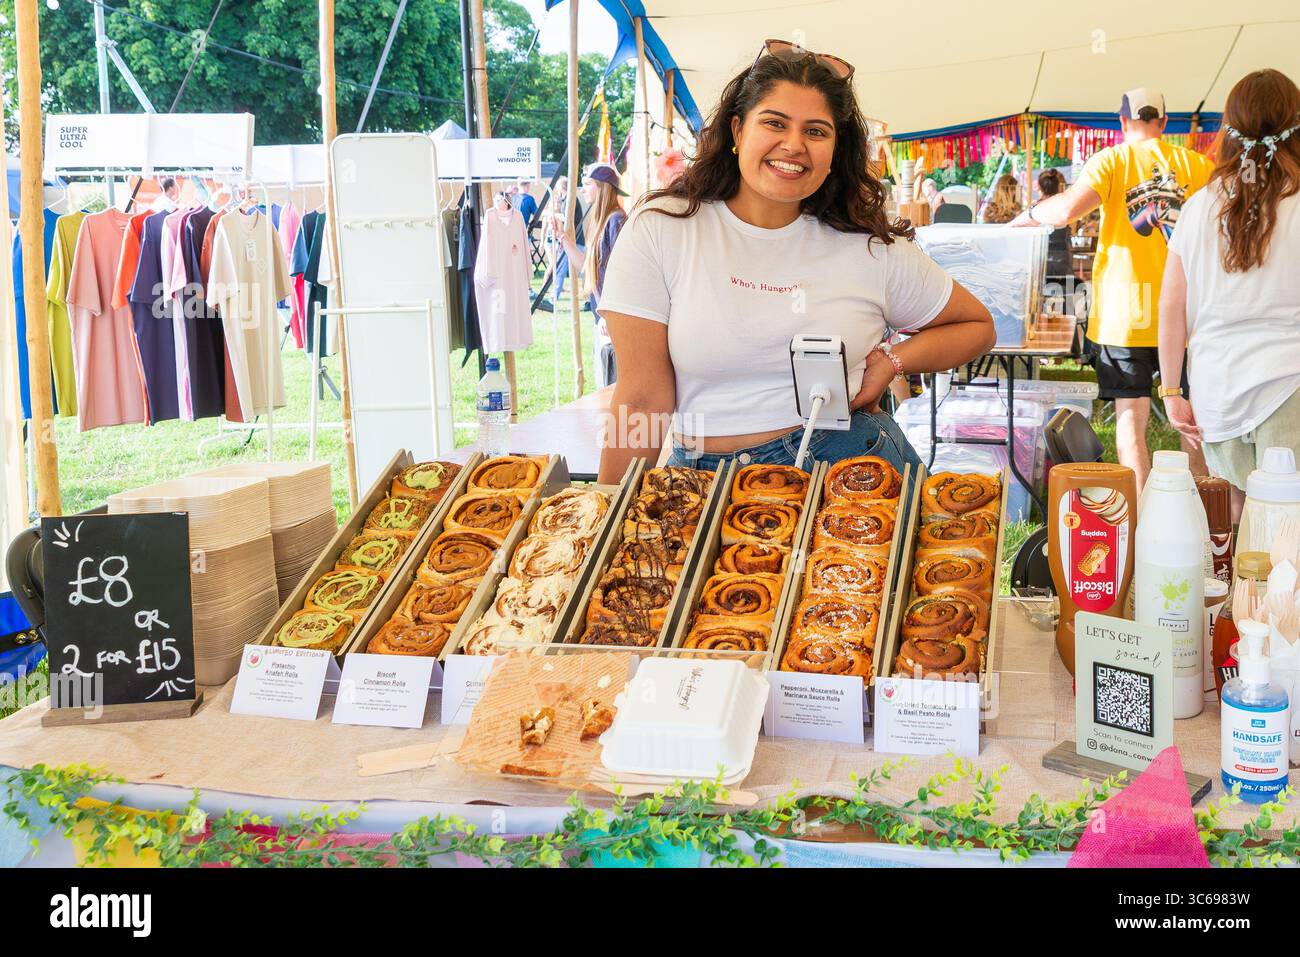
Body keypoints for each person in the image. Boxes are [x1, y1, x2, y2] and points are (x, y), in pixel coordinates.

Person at [595, 41, 994, 482]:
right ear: (736, 131)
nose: (794, 145)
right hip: (701, 484)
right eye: (774, 123)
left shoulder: (867, 247)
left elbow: (977, 327)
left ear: (835, 150)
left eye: (816, 131)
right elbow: (641, 398)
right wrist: (612, 508)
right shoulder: (662, 229)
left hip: (851, 469)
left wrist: (890, 362)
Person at [1011, 87, 1214, 492]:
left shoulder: (1112, 159)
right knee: (1193, 422)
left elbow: (1068, 209)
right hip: (1190, 313)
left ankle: (1137, 516)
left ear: (1122, 122)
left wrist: (1028, 215)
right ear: (1164, 122)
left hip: (1126, 312)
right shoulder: (1198, 164)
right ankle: (1204, 515)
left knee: (1130, 418)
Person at [1158, 69, 1300, 519]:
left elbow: (1171, 306)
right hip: (1290, 383)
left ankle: (1242, 592)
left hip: (1217, 388)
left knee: (1237, 514)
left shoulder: (1199, 207)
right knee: (1289, 524)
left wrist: (1171, 389)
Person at [561, 163, 628, 388]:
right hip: (603, 321)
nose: (582, 189)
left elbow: (621, 275)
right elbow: (588, 270)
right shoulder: (601, 222)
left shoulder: (616, 221)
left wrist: (609, 315)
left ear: (603, 188)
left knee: (612, 390)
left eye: (588, 184)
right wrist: (563, 239)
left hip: (613, 322)